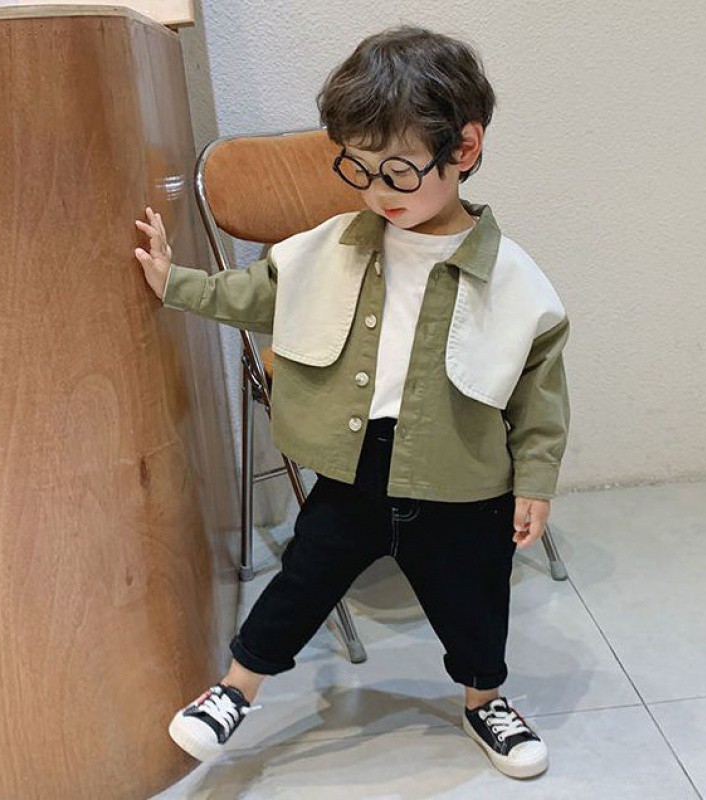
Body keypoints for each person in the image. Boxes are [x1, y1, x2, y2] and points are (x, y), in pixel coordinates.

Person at [133, 25, 570, 781]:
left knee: (474, 599)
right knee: (303, 578)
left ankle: (485, 701)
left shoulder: (513, 277)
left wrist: (535, 480)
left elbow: (540, 393)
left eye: (398, 172)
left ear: (464, 149)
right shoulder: (334, 244)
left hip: (462, 479)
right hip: (355, 467)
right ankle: (235, 690)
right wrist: (178, 284)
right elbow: (259, 294)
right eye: (359, 171)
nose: (376, 193)